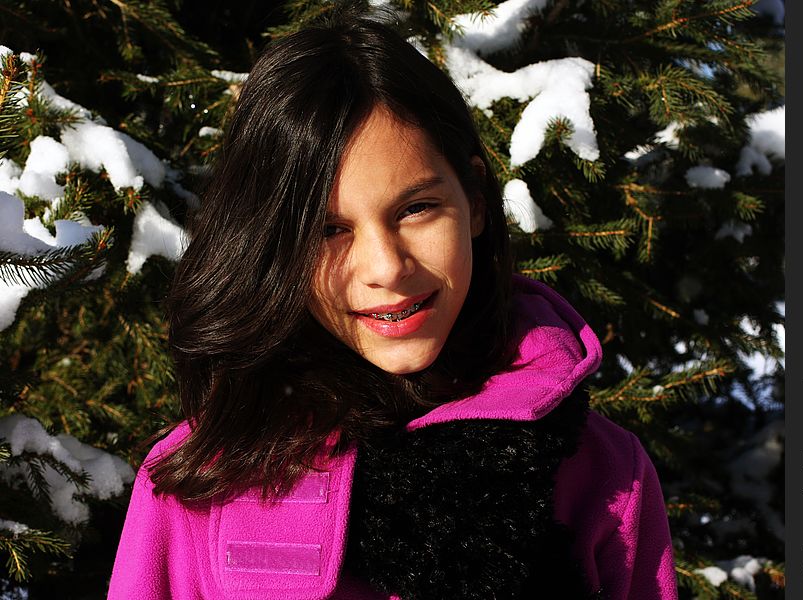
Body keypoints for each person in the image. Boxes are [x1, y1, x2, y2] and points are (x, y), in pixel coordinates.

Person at [108, 4, 678, 599]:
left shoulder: (604, 474)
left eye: (416, 209)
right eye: (329, 230)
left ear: (476, 200)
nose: (386, 268)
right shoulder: (201, 481)